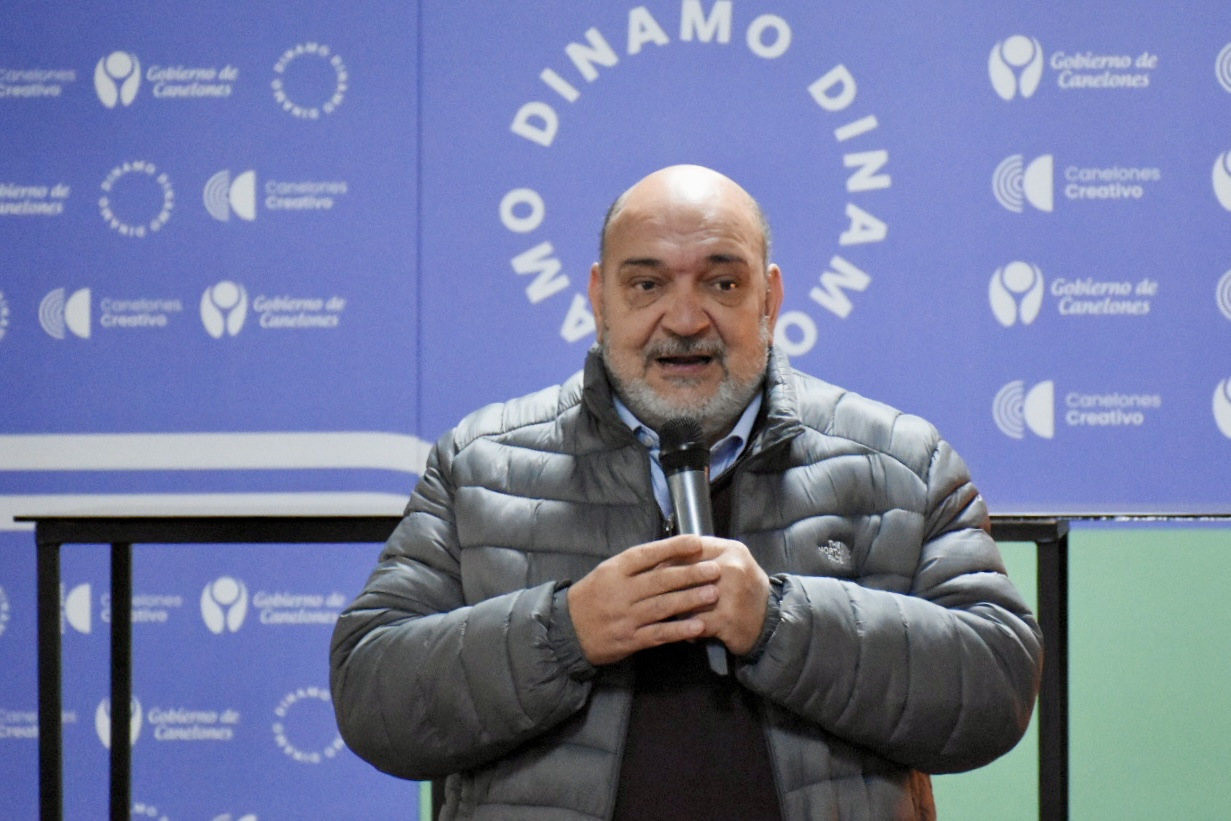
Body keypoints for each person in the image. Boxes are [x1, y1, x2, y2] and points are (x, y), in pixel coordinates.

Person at [330, 164, 1043, 820]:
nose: (684, 319)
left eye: (721, 283)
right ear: (599, 299)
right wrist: (564, 631)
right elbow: (372, 692)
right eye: (646, 285)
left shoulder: (901, 462)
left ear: (770, 297)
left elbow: (996, 688)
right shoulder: (480, 464)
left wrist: (779, 622)